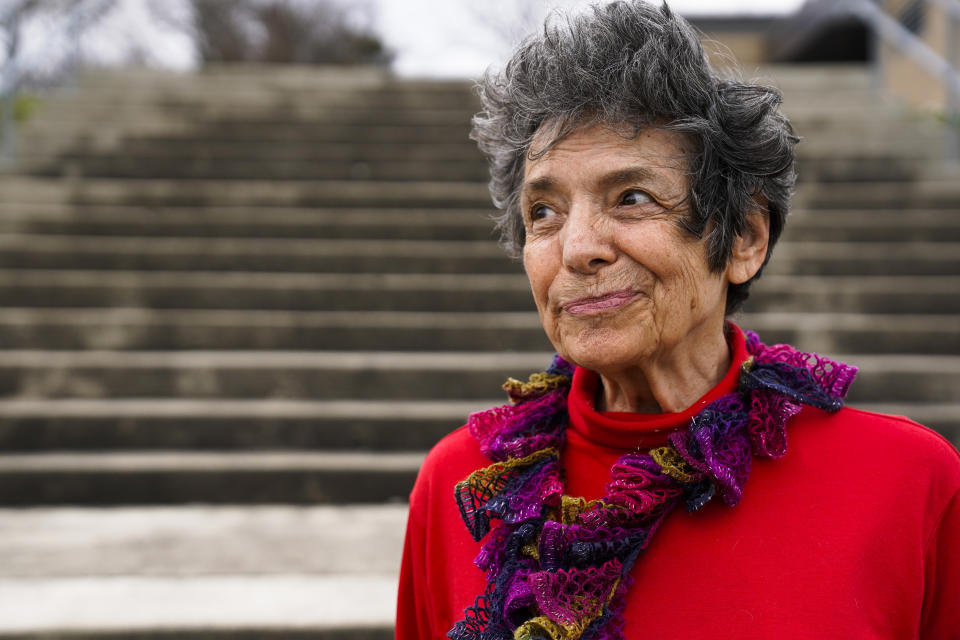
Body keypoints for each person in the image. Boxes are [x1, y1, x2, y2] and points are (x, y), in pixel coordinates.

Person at [396, 2, 960, 638]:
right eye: (544, 211)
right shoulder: (460, 485)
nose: (577, 248)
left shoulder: (907, 483)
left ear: (744, 238)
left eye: (631, 198)